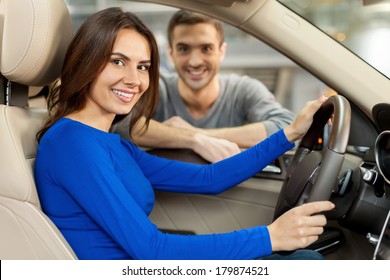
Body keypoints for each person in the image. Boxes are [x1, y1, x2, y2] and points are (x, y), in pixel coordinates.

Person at [34, 7, 334, 260]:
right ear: (87, 60)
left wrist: (290, 132)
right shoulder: (72, 143)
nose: (134, 80)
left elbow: (210, 179)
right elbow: (151, 249)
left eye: (143, 67)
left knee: (305, 259)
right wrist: (269, 237)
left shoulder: (112, 142)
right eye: (117, 61)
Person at [111, 9, 296, 163]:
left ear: (221, 51)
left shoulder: (243, 90)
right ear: (171, 53)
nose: (195, 61)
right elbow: (122, 126)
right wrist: (194, 140)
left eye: (206, 49)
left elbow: (286, 125)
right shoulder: (157, 88)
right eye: (184, 49)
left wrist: (197, 133)